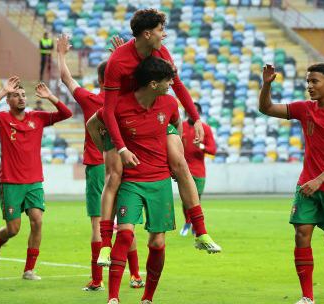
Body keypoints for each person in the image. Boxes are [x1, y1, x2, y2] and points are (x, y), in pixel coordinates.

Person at [97, 8, 221, 265]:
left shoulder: (161, 53)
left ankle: (201, 231)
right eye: (160, 30)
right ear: (147, 33)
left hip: (155, 117)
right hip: (124, 122)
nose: (164, 35)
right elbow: (108, 110)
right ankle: (105, 245)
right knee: (115, 176)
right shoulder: (118, 62)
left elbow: (177, 85)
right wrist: (120, 148)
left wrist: (196, 118)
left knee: (179, 162)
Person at [259, 63, 324, 303]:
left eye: (314, 81)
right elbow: (265, 108)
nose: (309, 86)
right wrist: (267, 84)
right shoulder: (304, 109)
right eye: (307, 82)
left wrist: (320, 179)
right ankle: (308, 297)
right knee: (301, 234)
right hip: (307, 185)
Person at [90, 56, 181, 304]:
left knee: (158, 242)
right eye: (167, 80)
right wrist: (107, 149)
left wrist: (176, 158)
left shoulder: (170, 104)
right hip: (131, 182)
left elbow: (176, 125)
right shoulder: (119, 106)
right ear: (153, 84)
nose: (171, 83)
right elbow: (93, 123)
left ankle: (147, 298)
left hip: (160, 182)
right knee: (126, 235)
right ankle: (113, 297)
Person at [56, 34, 144, 291]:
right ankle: (136, 274)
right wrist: (125, 57)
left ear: (99, 81)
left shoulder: (92, 100)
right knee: (126, 222)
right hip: (128, 164)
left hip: (99, 167)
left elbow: (66, 79)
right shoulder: (129, 102)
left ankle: (97, 279)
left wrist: (61, 54)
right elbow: (136, 79)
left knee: (99, 223)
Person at [0, 76, 72, 280]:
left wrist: (50, 97)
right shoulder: (2, 119)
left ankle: (29, 270)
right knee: (13, 229)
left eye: (23, 95)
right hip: (11, 182)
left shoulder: (37, 118)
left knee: (37, 221)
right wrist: (3, 91)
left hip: (34, 182)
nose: (21, 98)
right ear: (8, 101)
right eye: (15, 95)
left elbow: (67, 113)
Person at [180, 102, 216, 236]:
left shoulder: (205, 129)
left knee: (196, 199)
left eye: (194, 111)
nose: (191, 113)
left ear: (198, 113)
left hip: (199, 170)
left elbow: (212, 150)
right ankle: (187, 222)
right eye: (189, 110)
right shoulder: (180, 127)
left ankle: (195, 225)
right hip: (183, 169)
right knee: (185, 199)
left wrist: (201, 147)